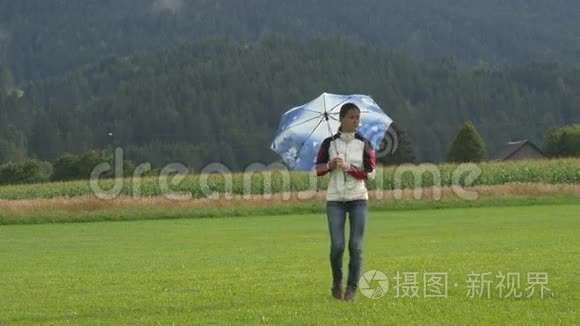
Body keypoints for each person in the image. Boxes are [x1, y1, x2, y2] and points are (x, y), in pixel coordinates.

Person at [315, 102, 376, 301]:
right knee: (338, 246)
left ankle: (351, 288)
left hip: (358, 198)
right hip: (335, 200)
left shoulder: (365, 143)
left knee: (356, 246)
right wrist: (331, 165)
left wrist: (349, 167)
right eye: (352, 117)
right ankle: (337, 281)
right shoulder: (328, 143)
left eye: (358, 118)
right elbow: (317, 169)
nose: (356, 121)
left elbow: (371, 173)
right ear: (341, 119)